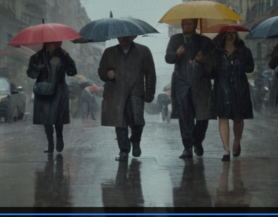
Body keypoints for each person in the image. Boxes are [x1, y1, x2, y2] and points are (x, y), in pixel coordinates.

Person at [198, 28, 254, 161]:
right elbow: (210, 73)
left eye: (233, 34)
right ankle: (226, 150)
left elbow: (250, 67)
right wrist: (202, 61)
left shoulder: (244, 51)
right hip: (222, 88)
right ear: (223, 36)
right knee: (223, 117)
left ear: (236, 35)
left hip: (239, 88)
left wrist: (239, 64)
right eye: (227, 34)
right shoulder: (216, 52)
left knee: (238, 118)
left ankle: (236, 141)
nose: (230, 36)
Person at [98, 35, 156, 161]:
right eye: (121, 36)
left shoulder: (143, 51)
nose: (124, 39)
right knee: (120, 123)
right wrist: (107, 74)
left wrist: (150, 92)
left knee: (137, 122)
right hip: (117, 93)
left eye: (127, 36)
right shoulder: (110, 52)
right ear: (117, 37)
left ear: (133, 36)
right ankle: (123, 150)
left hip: (136, 92)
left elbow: (150, 73)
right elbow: (101, 71)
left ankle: (135, 142)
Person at [165, 18, 215, 159]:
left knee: (202, 117)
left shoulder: (205, 42)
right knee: (185, 117)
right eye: (184, 24)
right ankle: (187, 147)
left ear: (195, 25)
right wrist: (177, 54)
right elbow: (168, 58)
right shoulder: (175, 40)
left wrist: (202, 60)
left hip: (201, 84)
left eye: (190, 24)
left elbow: (213, 63)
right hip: (182, 83)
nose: (187, 26)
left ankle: (197, 141)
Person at [27, 41, 77, 153]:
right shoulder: (37, 57)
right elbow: (30, 74)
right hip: (44, 90)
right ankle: (50, 143)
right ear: (46, 44)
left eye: (57, 43)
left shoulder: (63, 55)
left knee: (59, 118)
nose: (54, 45)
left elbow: (72, 71)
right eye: (52, 43)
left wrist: (66, 59)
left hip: (59, 90)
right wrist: (38, 68)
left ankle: (59, 137)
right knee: (46, 118)